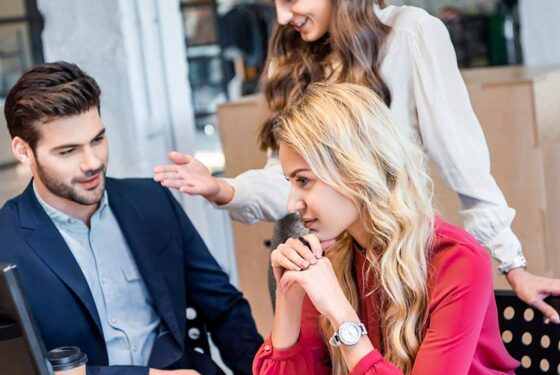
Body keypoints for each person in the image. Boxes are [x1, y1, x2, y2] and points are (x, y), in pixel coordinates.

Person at [153, 0, 560, 322]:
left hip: (390, 261)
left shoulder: (411, 34)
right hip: (308, 258)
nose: (281, 16)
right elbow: (287, 180)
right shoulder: (293, 53)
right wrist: (223, 189)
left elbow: (463, 159)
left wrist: (513, 264)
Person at [252, 82, 535, 375]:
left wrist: (341, 315)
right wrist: (288, 296)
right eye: (290, 183)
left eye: (304, 181)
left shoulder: (456, 259)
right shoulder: (332, 255)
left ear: (355, 171)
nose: (292, 203)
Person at [0, 62, 263, 375]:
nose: (92, 162)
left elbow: (224, 308)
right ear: (23, 151)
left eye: (98, 140)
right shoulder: (6, 240)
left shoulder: (151, 201)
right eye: (68, 151)